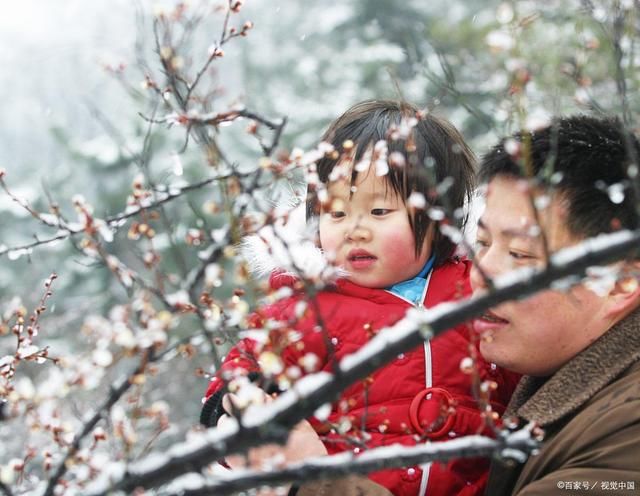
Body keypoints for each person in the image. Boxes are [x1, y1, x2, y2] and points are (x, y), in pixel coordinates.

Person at [200, 100, 519, 496]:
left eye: (380, 210)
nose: (355, 229)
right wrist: (243, 401)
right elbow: (238, 375)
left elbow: (529, 375)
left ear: (440, 218)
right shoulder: (306, 309)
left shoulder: (477, 292)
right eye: (336, 212)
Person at [471, 115, 640, 494]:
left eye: (520, 253)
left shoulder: (629, 434)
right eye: (482, 243)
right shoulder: (545, 371)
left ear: (619, 283)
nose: (481, 272)